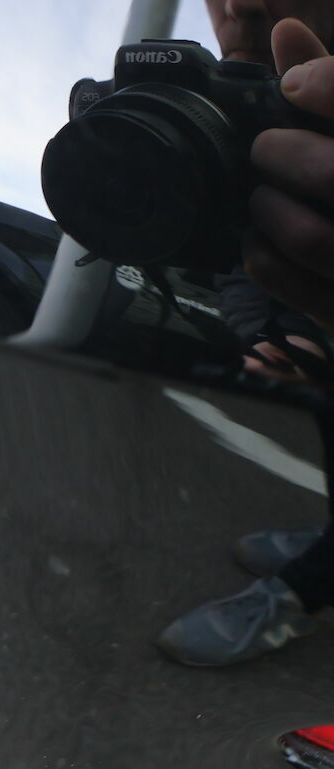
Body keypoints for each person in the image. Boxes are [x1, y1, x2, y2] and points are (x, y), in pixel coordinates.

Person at [155, 0, 334, 666]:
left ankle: (305, 592)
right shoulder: (224, 115)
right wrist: (273, 335)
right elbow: (232, 257)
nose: (239, 6)